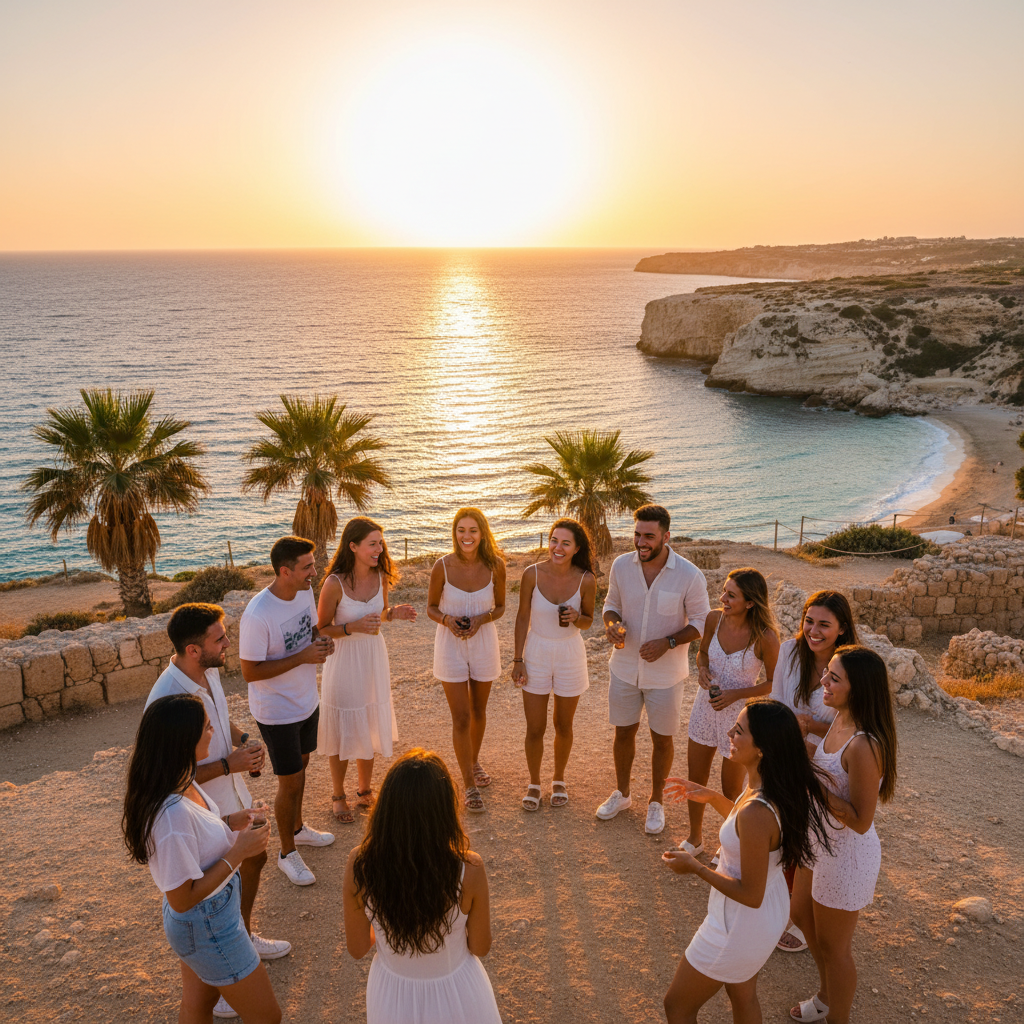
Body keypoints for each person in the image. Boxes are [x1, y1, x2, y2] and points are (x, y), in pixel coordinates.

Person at [146, 603, 289, 1017]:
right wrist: (230, 763)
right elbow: (174, 772)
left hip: (218, 800)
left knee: (256, 859)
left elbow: (222, 722)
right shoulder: (167, 701)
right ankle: (232, 958)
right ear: (194, 649)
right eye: (220, 638)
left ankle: (242, 934)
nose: (229, 643)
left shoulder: (207, 672)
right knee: (241, 861)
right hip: (205, 797)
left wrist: (242, 739)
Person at [661, 699, 833, 1024]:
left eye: (738, 731)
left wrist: (695, 867)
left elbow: (750, 893)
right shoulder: (767, 789)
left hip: (739, 924)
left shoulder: (757, 811)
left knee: (677, 1006)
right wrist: (712, 797)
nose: (729, 733)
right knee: (742, 994)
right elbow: (750, 837)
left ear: (761, 750)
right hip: (764, 913)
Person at [122, 693, 281, 1024]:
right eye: (207, 727)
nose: (214, 731)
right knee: (268, 1017)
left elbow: (194, 837)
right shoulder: (171, 815)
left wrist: (230, 822)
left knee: (199, 1005)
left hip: (205, 919)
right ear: (185, 741)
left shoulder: (179, 779)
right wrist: (239, 852)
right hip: (206, 923)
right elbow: (182, 899)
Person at [343, 749, 502, 1024]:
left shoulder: (360, 863)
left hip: (392, 996)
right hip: (457, 994)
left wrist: (389, 924)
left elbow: (357, 948)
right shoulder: (469, 868)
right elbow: (480, 946)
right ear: (445, 812)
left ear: (386, 809)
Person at [789, 646, 898, 1024]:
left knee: (835, 948)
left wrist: (808, 777)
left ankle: (838, 1015)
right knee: (800, 913)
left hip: (845, 853)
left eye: (834, 678)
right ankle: (825, 994)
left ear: (859, 688)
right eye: (827, 674)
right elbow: (823, 766)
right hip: (817, 839)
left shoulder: (865, 745)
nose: (823, 681)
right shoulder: (839, 718)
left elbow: (861, 819)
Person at [597, 504, 710, 835]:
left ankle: (656, 801)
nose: (641, 542)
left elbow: (702, 623)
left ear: (665, 536)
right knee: (623, 732)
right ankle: (622, 794)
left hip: (666, 675)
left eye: (648, 536)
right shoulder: (621, 566)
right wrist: (612, 625)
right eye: (637, 534)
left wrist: (669, 642)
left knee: (662, 739)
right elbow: (611, 605)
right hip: (623, 668)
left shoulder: (690, 575)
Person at [239, 536, 336, 887]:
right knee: (290, 780)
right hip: (276, 711)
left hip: (306, 700)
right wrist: (304, 656)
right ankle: (287, 853)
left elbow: (310, 629)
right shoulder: (258, 614)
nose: (315, 571)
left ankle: (298, 828)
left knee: (303, 766)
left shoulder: (304, 591)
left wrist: (322, 642)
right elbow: (249, 672)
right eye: (307, 567)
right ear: (285, 571)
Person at [771, 590, 858, 952]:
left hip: (824, 769)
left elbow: (855, 725)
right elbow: (775, 702)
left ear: (842, 629)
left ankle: (805, 919)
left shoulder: (851, 667)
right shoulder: (790, 652)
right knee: (784, 838)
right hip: (784, 759)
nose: (813, 630)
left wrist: (809, 727)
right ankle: (785, 907)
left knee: (814, 846)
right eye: (809, 621)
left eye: (824, 624)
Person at [316, 517, 417, 823]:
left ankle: (363, 790)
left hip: (373, 657)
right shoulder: (334, 583)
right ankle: (337, 795)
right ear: (353, 546)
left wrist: (393, 614)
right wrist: (352, 627)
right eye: (372, 543)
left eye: (380, 543)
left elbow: (380, 615)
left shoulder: (381, 577)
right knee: (342, 724)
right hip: (344, 659)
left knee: (367, 721)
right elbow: (321, 629)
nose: (379, 549)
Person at [683, 569, 780, 862]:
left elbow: (773, 683)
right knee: (696, 777)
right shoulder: (714, 619)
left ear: (750, 602)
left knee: (731, 787)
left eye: (731, 595)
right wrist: (701, 670)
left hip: (738, 720)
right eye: (724, 592)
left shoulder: (765, 637)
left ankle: (729, 845)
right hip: (704, 708)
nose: (723, 598)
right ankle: (694, 837)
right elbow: (701, 653)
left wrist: (736, 695)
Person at [511, 518, 597, 810]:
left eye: (565, 543)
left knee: (563, 724)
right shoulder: (531, 574)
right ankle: (534, 783)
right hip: (536, 652)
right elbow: (522, 617)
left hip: (570, 654)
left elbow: (588, 621)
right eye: (553, 540)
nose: (557, 548)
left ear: (576, 548)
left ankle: (558, 779)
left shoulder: (586, 579)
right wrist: (518, 659)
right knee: (534, 727)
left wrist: (576, 617)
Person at [427, 508, 507, 814]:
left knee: (478, 710)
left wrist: (481, 619)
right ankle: (469, 786)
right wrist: (447, 620)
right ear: (454, 532)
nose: (467, 536)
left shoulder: (496, 565)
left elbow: (500, 608)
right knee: (460, 717)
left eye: (473, 530)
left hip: (484, 643)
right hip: (450, 645)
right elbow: (431, 607)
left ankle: (474, 761)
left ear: (482, 533)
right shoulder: (442, 566)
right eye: (461, 530)